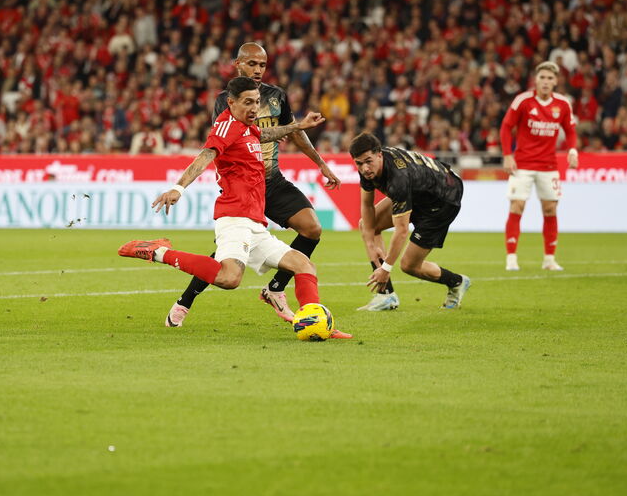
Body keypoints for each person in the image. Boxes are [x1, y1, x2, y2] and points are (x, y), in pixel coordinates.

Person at [119, 76, 353, 339]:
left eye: (256, 102)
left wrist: (297, 126)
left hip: (255, 223)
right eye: (247, 103)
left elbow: (263, 134)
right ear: (230, 102)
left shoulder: (247, 127)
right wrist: (179, 187)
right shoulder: (226, 126)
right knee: (229, 279)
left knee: (304, 265)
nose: (254, 108)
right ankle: (157, 252)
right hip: (234, 217)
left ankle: (314, 321)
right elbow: (206, 155)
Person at [165, 42, 342, 328]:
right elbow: (234, 140)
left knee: (312, 228)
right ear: (237, 64)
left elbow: (292, 133)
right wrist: (179, 186)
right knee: (227, 261)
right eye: (251, 64)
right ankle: (185, 300)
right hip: (244, 188)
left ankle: (274, 288)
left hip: (272, 181)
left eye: (262, 64)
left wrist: (320, 163)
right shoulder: (228, 101)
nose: (258, 70)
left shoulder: (275, 96)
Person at [349, 133, 470, 310]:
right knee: (367, 226)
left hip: (443, 200)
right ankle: (386, 296)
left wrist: (386, 268)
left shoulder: (398, 178)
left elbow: (402, 230)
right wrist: (370, 244)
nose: (365, 168)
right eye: (359, 163)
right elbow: (367, 206)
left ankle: (457, 282)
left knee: (409, 265)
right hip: (419, 191)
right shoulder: (368, 170)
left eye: (368, 161)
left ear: (379, 154)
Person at [501, 61, 579, 271]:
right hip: (522, 164)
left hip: (548, 165)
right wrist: (508, 155)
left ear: (556, 82)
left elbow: (570, 131)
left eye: (550, 78)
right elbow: (506, 127)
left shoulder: (562, 104)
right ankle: (511, 258)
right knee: (517, 206)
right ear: (536, 80)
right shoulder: (523, 101)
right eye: (542, 77)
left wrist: (572, 150)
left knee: (550, 209)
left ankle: (549, 259)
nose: (546, 82)